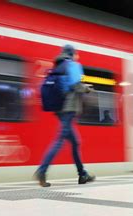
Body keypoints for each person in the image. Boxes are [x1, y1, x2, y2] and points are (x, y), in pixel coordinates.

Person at [34, 44, 95, 187]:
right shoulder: (73, 65)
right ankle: (42, 170)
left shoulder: (58, 66)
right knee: (60, 140)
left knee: (75, 142)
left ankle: (82, 174)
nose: (77, 56)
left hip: (59, 109)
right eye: (76, 54)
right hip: (69, 108)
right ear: (72, 54)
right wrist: (87, 89)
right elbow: (76, 86)